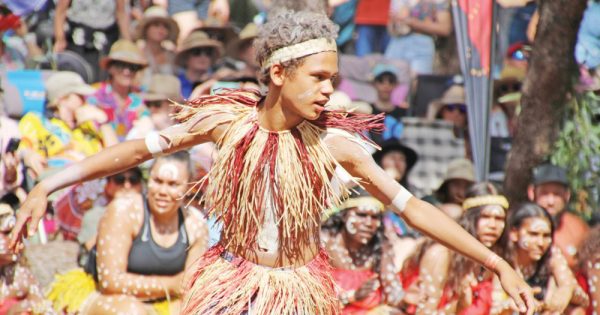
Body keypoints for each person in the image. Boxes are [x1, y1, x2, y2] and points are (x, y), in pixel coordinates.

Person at [11, 9, 536, 314]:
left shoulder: (336, 143)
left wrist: (497, 262)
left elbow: (414, 209)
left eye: (333, 77)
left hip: (295, 291)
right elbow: (131, 152)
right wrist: (49, 183)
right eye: (320, 77)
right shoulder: (225, 121)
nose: (332, 90)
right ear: (279, 73)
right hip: (231, 282)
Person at [47, 152, 208, 314]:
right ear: (148, 180)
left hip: (165, 302)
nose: (163, 191)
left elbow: (188, 287)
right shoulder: (124, 210)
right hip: (106, 297)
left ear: (188, 187)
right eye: (157, 181)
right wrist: (173, 284)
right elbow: (111, 282)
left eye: (173, 184)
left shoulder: (195, 225)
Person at [18, 71, 116, 178]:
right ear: (62, 98)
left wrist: (103, 123)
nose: (85, 101)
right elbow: (22, 148)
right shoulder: (36, 120)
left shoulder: (88, 125)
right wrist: (28, 154)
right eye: (80, 96)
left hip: (92, 184)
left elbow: (116, 158)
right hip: (55, 181)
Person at [321, 189, 405, 313]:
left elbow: (394, 292)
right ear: (344, 215)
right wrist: (352, 297)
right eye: (361, 215)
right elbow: (309, 294)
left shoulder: (381, 246)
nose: (368, 223)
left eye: (374, 217)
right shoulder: (325, 242)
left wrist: (406, 299)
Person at [503, 203, 589, 314]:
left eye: (546, 236)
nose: (541, 243)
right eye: (533, 234)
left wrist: (564, 292)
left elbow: (576, 294)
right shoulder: (502, 260)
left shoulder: (552, 255)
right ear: (514, 233)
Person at [527, 163, 590, 268]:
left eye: (557, 194)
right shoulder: (519, 225)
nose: (550, 202)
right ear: (531, 193)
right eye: (544, 193)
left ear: (567, 195)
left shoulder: (579, 228)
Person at [53, 0, 132, 82]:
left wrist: (129, 46)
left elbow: (121, 13)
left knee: (100, 76)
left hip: (104, 38)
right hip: (77, 37)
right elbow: (61, 10)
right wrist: (60, 39)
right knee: (73, 74)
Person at [76, 167, 144, 261]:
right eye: (119, 179)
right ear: (107, 186)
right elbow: (87, 252)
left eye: (133, 179)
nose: (127, 185)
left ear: (141, 185)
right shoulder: (95, 215)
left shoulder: (150, 215)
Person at [87, 39, 148, 141]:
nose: (127, 71)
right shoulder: (95, 93)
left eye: (133, 67)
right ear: (110, 68)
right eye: (121, 65)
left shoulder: (142, 97)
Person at [385, 0, 453, 75]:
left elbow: (445, 29)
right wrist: (397, 20)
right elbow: (392, 27)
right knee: (390, 79)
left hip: (423, 43)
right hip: (397, 42)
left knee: (419, 82)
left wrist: (414, 23)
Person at [135, 6, 180, 87]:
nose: (161, 29)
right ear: (146, 28)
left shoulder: (172, 55)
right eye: (156, 25)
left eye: (165, 26)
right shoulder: (137, 52)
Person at [175, 31, 223, 99]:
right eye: (196, 52)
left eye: (208, 53)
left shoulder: (217, 83)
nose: (203, 57)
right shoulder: (176, 83)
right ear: (185, 57)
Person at [369, 63, 407, 145]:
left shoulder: (404, 112)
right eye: (381, 80)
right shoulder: (366, 110)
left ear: (396, 84)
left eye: (391, 81)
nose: (386, 85)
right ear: (374, 84)